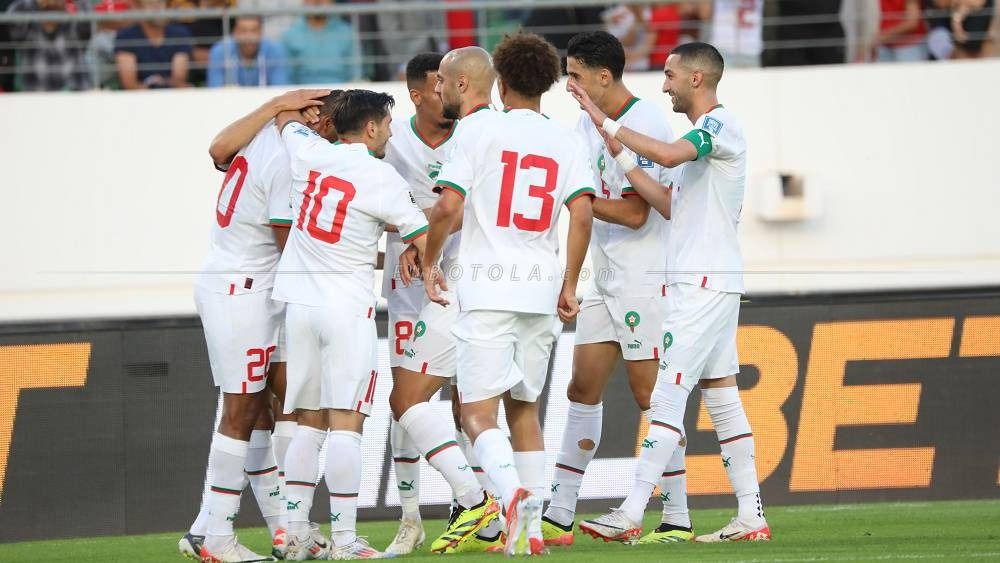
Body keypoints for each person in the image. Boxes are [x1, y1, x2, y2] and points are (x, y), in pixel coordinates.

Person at [568, 41, 771, 543]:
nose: (663, 85)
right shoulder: (702, 139)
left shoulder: (718, 128)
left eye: (670, 74)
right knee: (722, 397)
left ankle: (632, 512)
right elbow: (667, 205)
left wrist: (605, 119)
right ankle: (752, 515)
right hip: (709, 281)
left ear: (697, 79)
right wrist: (622, 157)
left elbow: (667, 152)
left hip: (701, 285)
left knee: (666, 395)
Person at [419, 35, 595, 556]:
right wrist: (569, 282)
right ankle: (535, 531)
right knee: (525, 408)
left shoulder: (478, 130)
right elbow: (582, 214)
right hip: (542, 290)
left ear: (499, 77)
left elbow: (449, 206)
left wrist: (429, 261)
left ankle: (509, 493)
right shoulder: (567, 140)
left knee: (475, 413)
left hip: (488, 285)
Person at [541, 30, 691, 548]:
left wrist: (576, 201)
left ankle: (676, 516)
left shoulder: (646, 122)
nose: (569, 85)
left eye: (576, 76)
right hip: (605, 277)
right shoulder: (584, 121)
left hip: (646, 276)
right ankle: (558, 513)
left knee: (651, 394)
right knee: (581, 386)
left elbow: (633, 211)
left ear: (604, 77)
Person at [272, 89, 430, 561]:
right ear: (370, 129)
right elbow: (421, 235)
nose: (391, 130)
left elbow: (283, 116)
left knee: (306, 424)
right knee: (346, 425)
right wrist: (432, 270)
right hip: (346, 310)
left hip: (299, 307)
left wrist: (309, 103)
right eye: (387, 122)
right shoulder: (380, 175)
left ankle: (295, 533)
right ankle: (343, 541)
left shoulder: (308, 151)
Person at [189, 88, 336, 563]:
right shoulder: (285, 162)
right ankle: (214, 536)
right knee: (242, 409)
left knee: (283, 400)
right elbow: (285, 244)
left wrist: (276, 104)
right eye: (332, 122)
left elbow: (216, 149)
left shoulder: (258, 139)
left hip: (255, 288)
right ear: (315, 118)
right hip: (243, 292)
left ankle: (286, 529)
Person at [379, 52, 503, 556]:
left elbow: (473, 204)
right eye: (438, 86)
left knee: (464, 401)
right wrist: (409, 230)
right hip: (409, 286)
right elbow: (370, 205)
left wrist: (418, 229)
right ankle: (411, 518)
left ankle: (476, 507)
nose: (446, 92)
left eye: (449, 83)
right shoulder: (389, 142)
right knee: (405, 402)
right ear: (418, 94)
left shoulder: (474, 133)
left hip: (462, 280)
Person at [5, 0, 91, 91]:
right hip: (35, 95)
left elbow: (87, 22)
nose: (52, 3)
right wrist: (36, 3)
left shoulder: (74, 23)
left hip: (75, 94)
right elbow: (10, 22)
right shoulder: (28, 25)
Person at [114, 0, 192, 89]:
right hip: (139, 98)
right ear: (139, 8)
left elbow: (179, 79)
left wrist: (159, 83)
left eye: (160, 2)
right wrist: (152, 86)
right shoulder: (125, 36)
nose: (157, 8)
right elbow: (129, 84)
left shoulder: (179, 33)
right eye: (151, 4)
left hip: (172, 96)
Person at [282, 0, 361, 85]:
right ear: (304, 1)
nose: (317, 1)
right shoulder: (290, 34)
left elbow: (357, 72)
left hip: (341, 91)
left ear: (332, 2)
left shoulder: (347, 32)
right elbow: (286, 75)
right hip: (302, 92)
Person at [207, 15, 289, 87]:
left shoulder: (274, 50)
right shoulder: (220, 51)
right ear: (235, 32)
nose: (249, 36)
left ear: (261, 32)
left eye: (254, 30)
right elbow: (215, 89)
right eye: (243, 30)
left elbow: (279, 88)